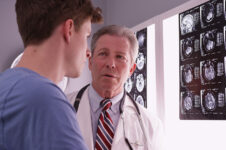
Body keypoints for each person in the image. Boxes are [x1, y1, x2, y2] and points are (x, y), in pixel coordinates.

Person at [0, 0, 103, 150]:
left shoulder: (6, 86)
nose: (88, 52)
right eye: (86, 36)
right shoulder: (44, 99)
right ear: (69, 29)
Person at [67, 25, 164, 150]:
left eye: (120, 57)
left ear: (131, 69)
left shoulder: (150, 126)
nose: (110, 64)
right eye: (103, 54)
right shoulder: (60, 108)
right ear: (90, 62)